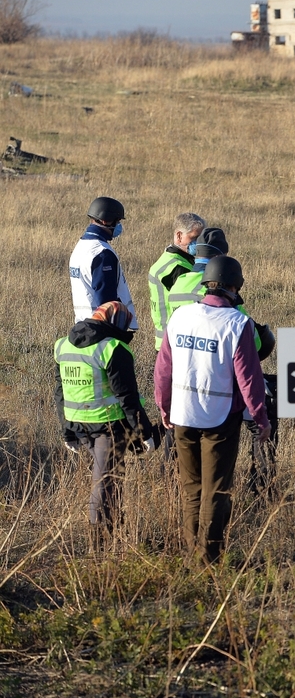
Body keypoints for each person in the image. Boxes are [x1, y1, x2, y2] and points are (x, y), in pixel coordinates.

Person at [154, 255, 270, 564]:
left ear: (207, 283)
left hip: (181, 416)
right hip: (220, 419)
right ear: (234, 287)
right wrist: (260, 417)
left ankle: (193, 554)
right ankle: (209, 559)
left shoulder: (179, 316)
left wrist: (164, 407)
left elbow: (163, 369)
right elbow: (249, 378)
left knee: (191, 488)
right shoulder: (237, 323)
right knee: (216, 490)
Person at [53, 302, 156, 551]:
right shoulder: (112, 348)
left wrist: (67, 430)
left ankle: (112, 534)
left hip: (79, 426)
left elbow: (60, 392)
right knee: (105, 483)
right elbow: (127, 397)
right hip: (108, 426)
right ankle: (97, 547)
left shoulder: (62, 345)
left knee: (111, 480)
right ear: (117, 323)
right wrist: (144, 432)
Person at [69, 197, 138, 329]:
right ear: (106, 220)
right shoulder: (102, 253)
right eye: (117, 221)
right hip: (102, 329)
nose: (119, 226)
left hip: (83, 326)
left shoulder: (81, 247)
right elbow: (107, 301)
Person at [148, 212, 205, 351]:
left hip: (170, 341)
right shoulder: (176, 268)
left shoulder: (169, 258)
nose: (199, 243)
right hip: (174, 343)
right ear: (179, 236)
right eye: (194, 238)